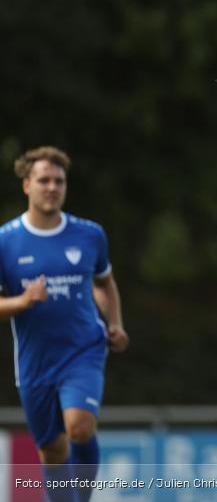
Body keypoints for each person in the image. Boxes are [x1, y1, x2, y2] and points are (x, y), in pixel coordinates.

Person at [0, 146, 129, 502]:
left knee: (79, 426)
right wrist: (22, 302)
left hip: (83, 348)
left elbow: (103, 283)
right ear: (27, 185)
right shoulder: (5, 242)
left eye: (59, 180)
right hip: (35, 362)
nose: (52, 187)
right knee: (53, 452)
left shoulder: (89, 235)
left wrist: (114, 323)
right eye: (44, 180)